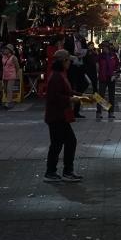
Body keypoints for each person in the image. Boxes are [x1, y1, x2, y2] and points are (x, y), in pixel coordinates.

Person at [44, 53, 82, 182]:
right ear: (63, 61)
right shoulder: (56, 76)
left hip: (60, 115)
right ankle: (58, 172)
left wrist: (81, 96)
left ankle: (59, 171)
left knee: (62, 143)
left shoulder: (60, 74)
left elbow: (66, 91)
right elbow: (54, 97)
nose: (70, 63)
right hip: (56, 116)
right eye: (68, 61)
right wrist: (71, 99)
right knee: (62, 143)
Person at [97, 39, 120, 119]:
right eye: (102, 47)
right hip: (102, 78)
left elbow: (117, 65)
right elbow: (97, 66)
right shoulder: (100, 56)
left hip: (111, 78)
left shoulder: (113, 55)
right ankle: (99, 112)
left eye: (105, 47)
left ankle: (111, 112)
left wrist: (115, 74)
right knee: (100, 96)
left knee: (111, 96)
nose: (104, 49)